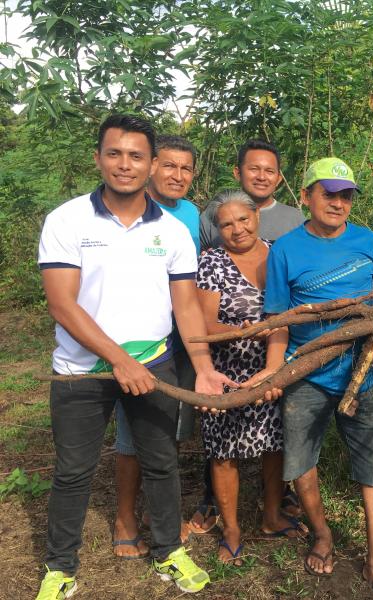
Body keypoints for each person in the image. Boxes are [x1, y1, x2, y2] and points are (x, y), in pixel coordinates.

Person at [35, 115, 235, 599]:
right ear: (98, 158)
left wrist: (204, 369)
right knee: (73, 471)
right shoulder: (67, 220)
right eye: (115, 153)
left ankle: (169, 550)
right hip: (80, 370)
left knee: (162, 462)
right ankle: (60, 566)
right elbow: (62, 304)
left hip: (155, 363)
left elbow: (186, 307)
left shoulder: (173, 230)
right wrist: (118, 360)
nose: (125, 164)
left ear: (151, 164)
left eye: (136, 156)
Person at [253, 158, 373, 599]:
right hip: (307, 372)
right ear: (306, 197)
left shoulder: (367, 240)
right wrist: (275, 370)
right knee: (302, 462)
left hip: (363, 372)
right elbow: (279, 319)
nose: (338, 203)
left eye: (346, 196)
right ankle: (322, 535)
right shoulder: (285, 249)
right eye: (329, 194)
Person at [196, 189, 308, 565]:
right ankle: (231, 529)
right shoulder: (212, 261)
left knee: (274, 444)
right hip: (224, 370)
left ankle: (272, 515)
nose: (237, 229)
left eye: (243, 219)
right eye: (226, 224)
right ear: (218, 229)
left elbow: (288, 312)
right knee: (223, 450)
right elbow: (204, 324)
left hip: (273, 365)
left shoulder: (279, 252)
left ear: (256, 217)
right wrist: (240, 331)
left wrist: (271, 367)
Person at [112, 134, 202, 558]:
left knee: (168, 429)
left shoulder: (192, 214)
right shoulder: (127, 212)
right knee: (131, 435)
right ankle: (124, 518)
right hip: (138, 342)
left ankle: (158, 511)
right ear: (150, 167)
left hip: (181, 339)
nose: (177, 175)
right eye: (169, 165)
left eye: (185, 168)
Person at [199, 139, 304, 249]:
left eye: (269, 171)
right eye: (254, 169)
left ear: (278, 179)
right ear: (238, 173)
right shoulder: (213, 216)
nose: (261, 177)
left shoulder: (296, 221)